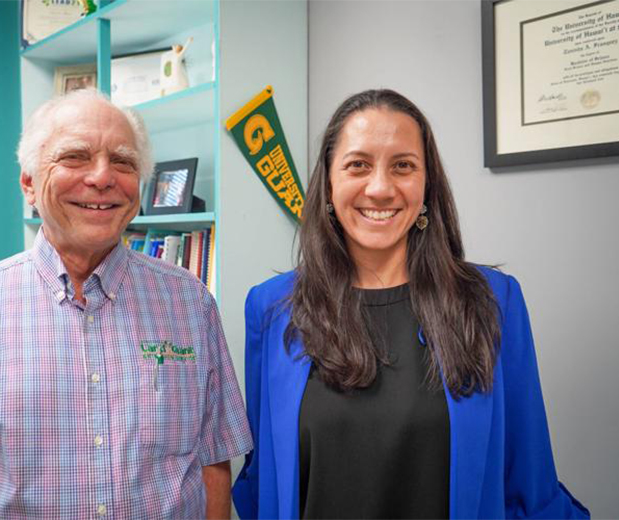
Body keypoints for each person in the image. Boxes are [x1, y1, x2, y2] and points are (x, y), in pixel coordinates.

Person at [0, 88, 252, 519]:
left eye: (123, 162)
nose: (102, 177)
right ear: (29, 184)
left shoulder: (190, 302)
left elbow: (213, 461)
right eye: (75, 157)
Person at [231, 89, 588, 519]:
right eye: (358, 165)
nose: (380, 188)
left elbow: (530, 482)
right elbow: (263, 481)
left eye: (403, 165)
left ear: (427, 184)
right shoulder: (271, 309)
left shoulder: (494, 301)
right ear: (328, 183)